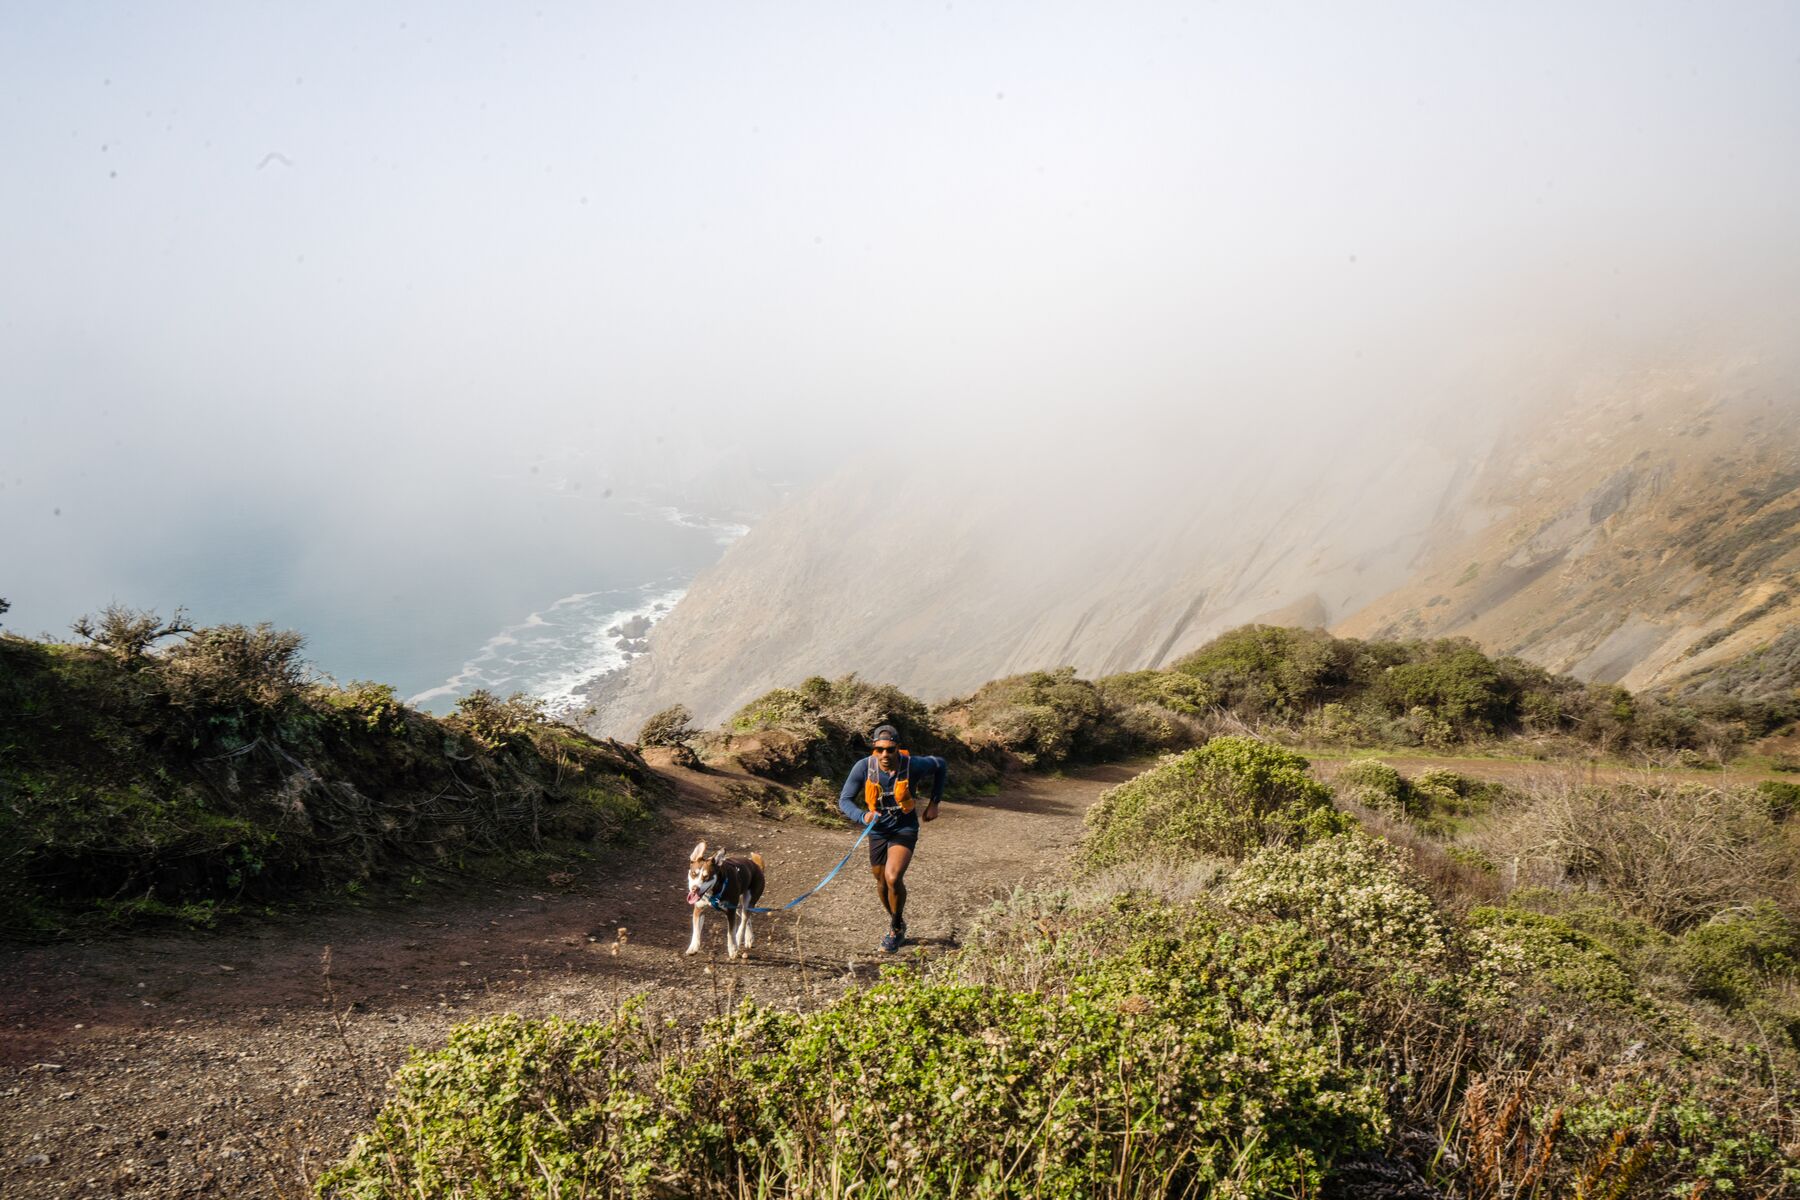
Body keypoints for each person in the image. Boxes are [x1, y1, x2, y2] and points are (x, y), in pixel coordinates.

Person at [836, 724, 947, 952]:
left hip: (904, 828)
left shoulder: (913, 765)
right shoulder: (863, 767)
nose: (884, 755)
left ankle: (895, 929)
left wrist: (935, 803)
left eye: (890, 749)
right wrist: (862, 816)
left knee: (893, 877)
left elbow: (941, 765)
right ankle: (898, 920)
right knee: (880, 881)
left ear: (898, 749)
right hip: (877, 831)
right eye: (879, 750)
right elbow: (844, 800)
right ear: (874, 750)